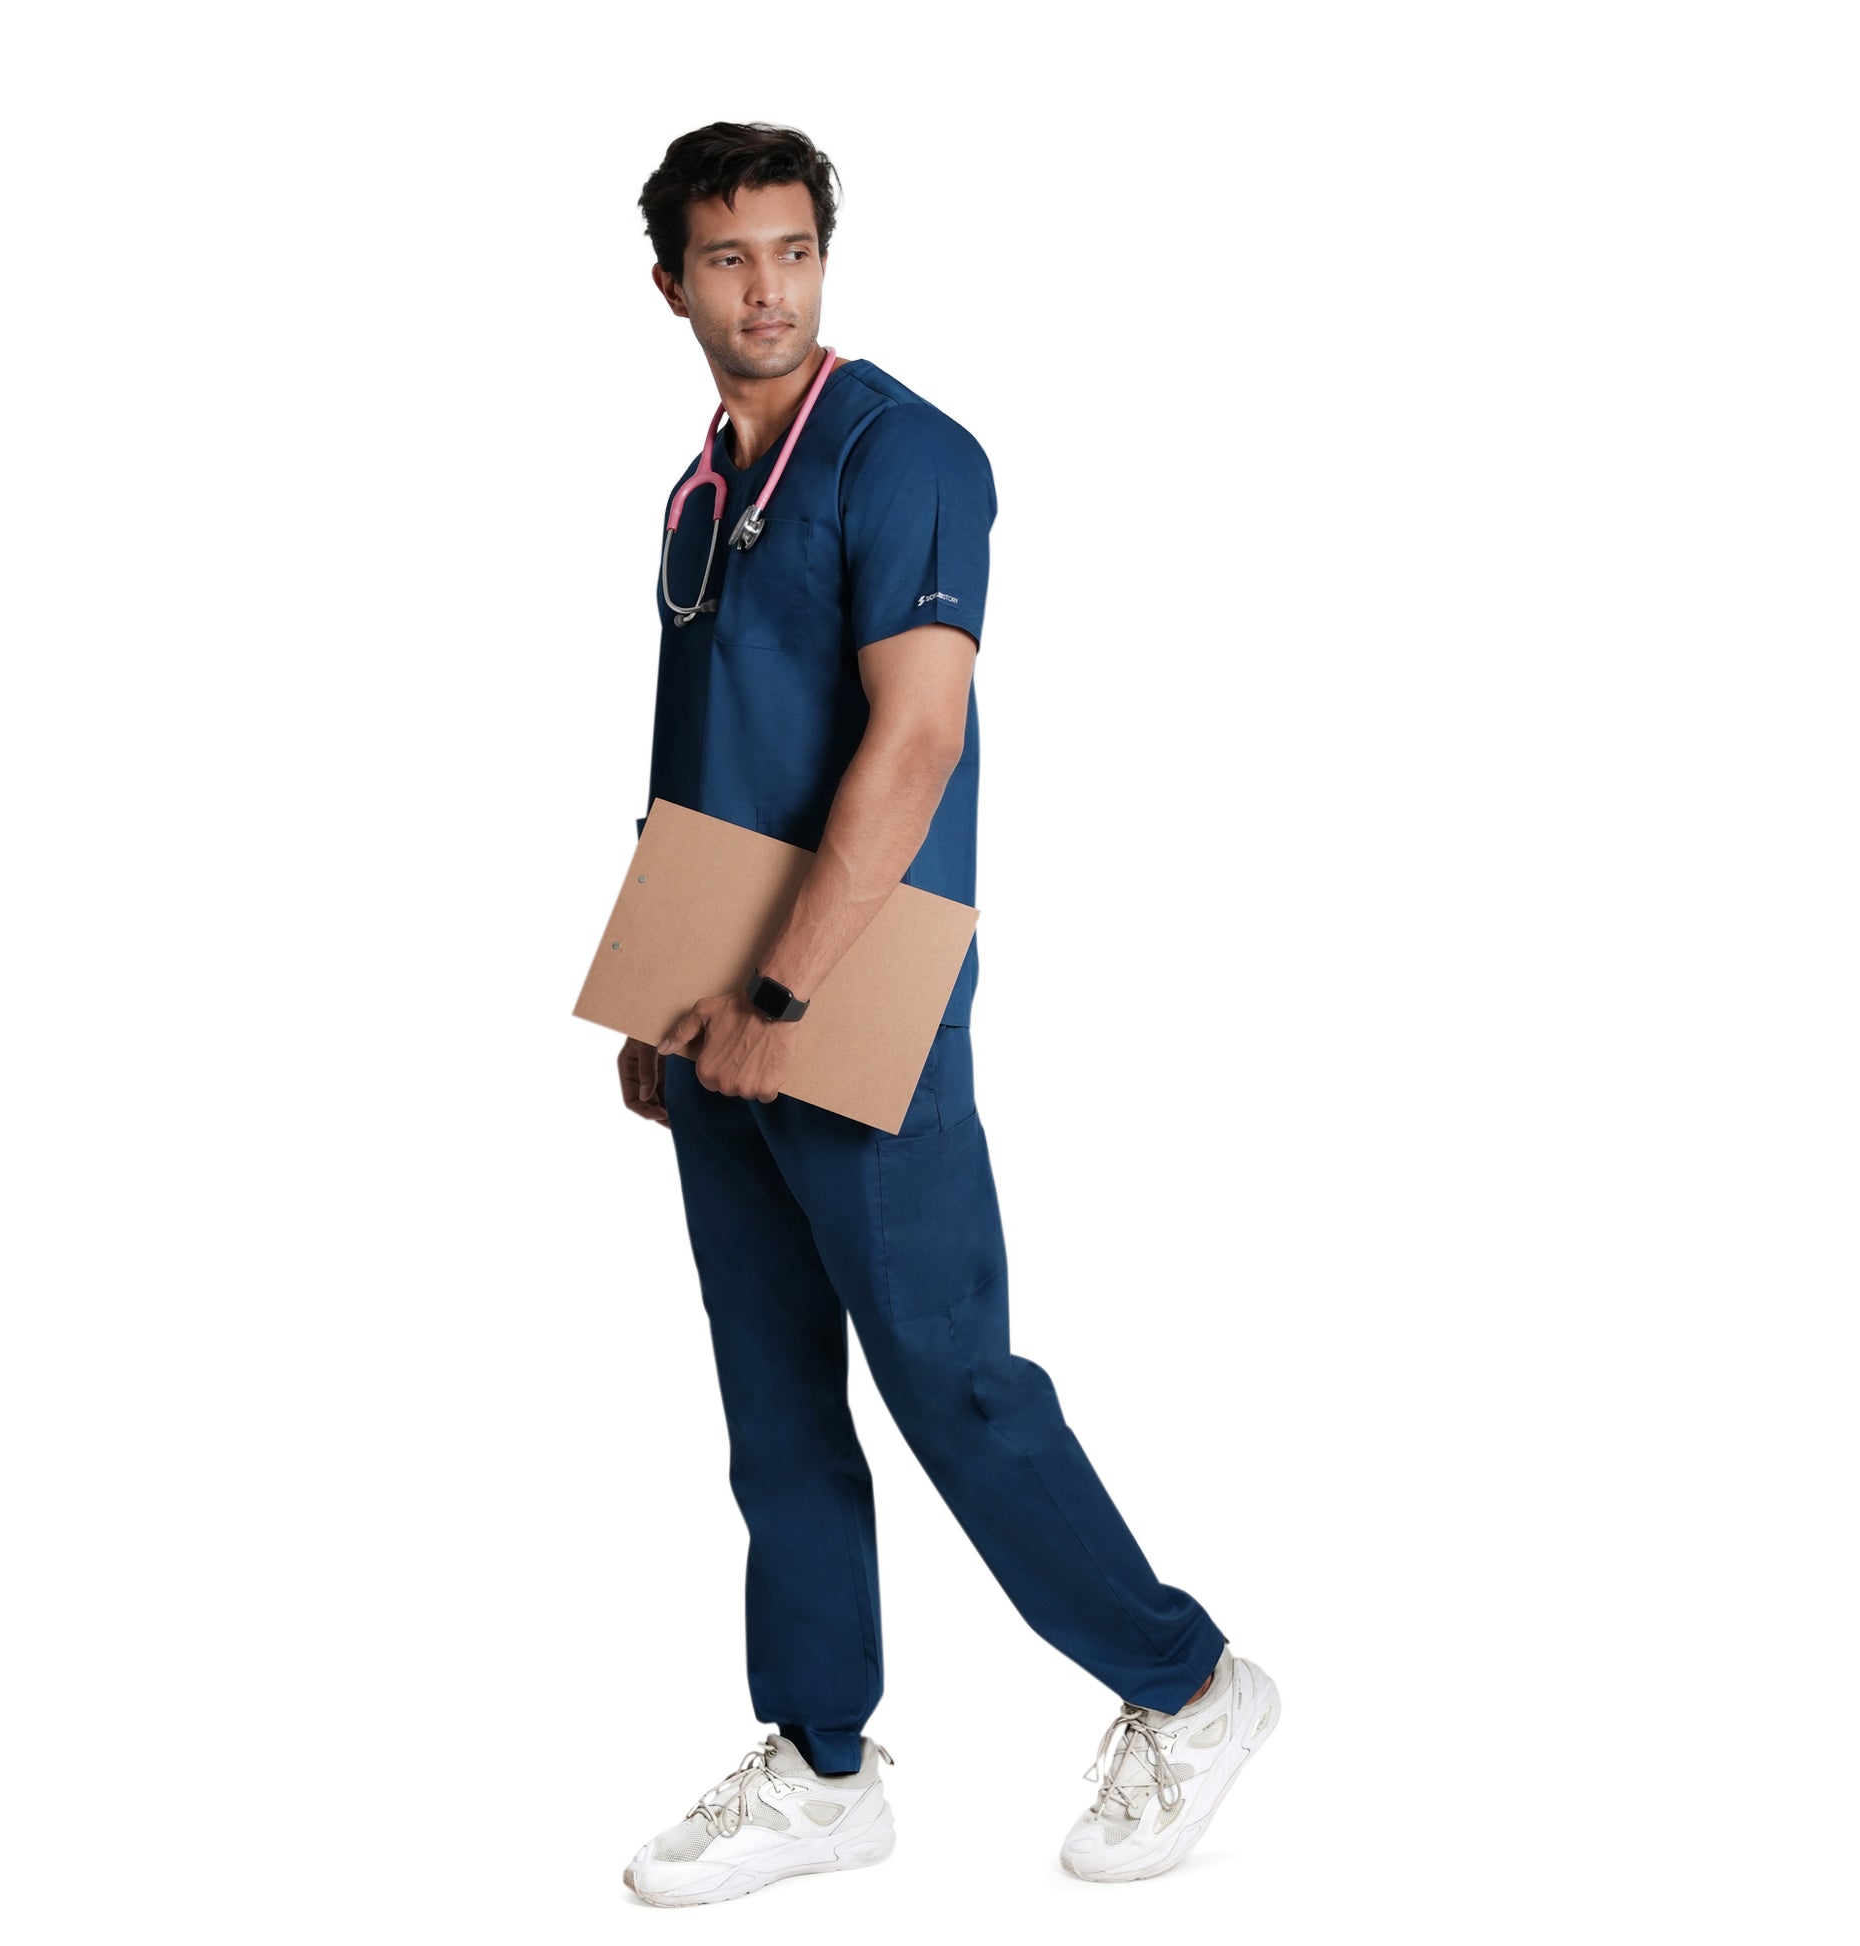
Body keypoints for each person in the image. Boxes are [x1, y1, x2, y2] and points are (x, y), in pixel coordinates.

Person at [614, 121, 1278, 1908]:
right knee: (772, 1394)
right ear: (668, 281)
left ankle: (1187, 1681)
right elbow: (701, 762)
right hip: (717, 1003)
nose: (767, 289)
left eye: (793, 250)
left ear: (823, 259)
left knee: (952, 1378)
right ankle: (822, 1761)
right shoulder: (698, 492)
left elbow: (913, 743)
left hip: (848, 993)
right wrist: (660, 998)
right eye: (729, 257)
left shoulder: (903, 455)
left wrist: (781, 991)